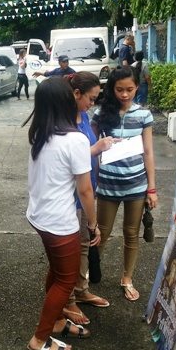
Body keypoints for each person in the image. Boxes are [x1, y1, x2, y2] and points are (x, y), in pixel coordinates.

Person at [23, 76, 99, 350]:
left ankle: (55, 321)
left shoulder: (39, 134)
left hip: (40, 216)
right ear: (66, 102)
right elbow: (85, 190)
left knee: (57, 272)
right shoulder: (76, 139)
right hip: (59, 222)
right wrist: (93, 226)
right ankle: (39, 339)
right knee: (66, 281)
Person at [92, 66, 158, 302]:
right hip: (108, 184)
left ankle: (127, 278)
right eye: (119, 89)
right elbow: (89, 148)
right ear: (112, 89)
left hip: (136, 186)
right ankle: (89, 273)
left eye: (129, 89)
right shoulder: (100, 113)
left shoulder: (143, 115)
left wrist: (152, 188)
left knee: (131, 234)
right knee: (101, 232)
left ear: (137, 88)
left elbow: (148, 152)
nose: (124, 94)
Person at [62, 72, 113, 326]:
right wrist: (98, 148)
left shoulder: (82, 117)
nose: (92, 103)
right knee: (70, 249)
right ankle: (67, 299)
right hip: (71, 195)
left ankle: (80, 290)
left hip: (87, 187)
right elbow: (73, 157)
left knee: (83, 244)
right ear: (76, 94)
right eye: (90, 98)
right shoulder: (63, 122)